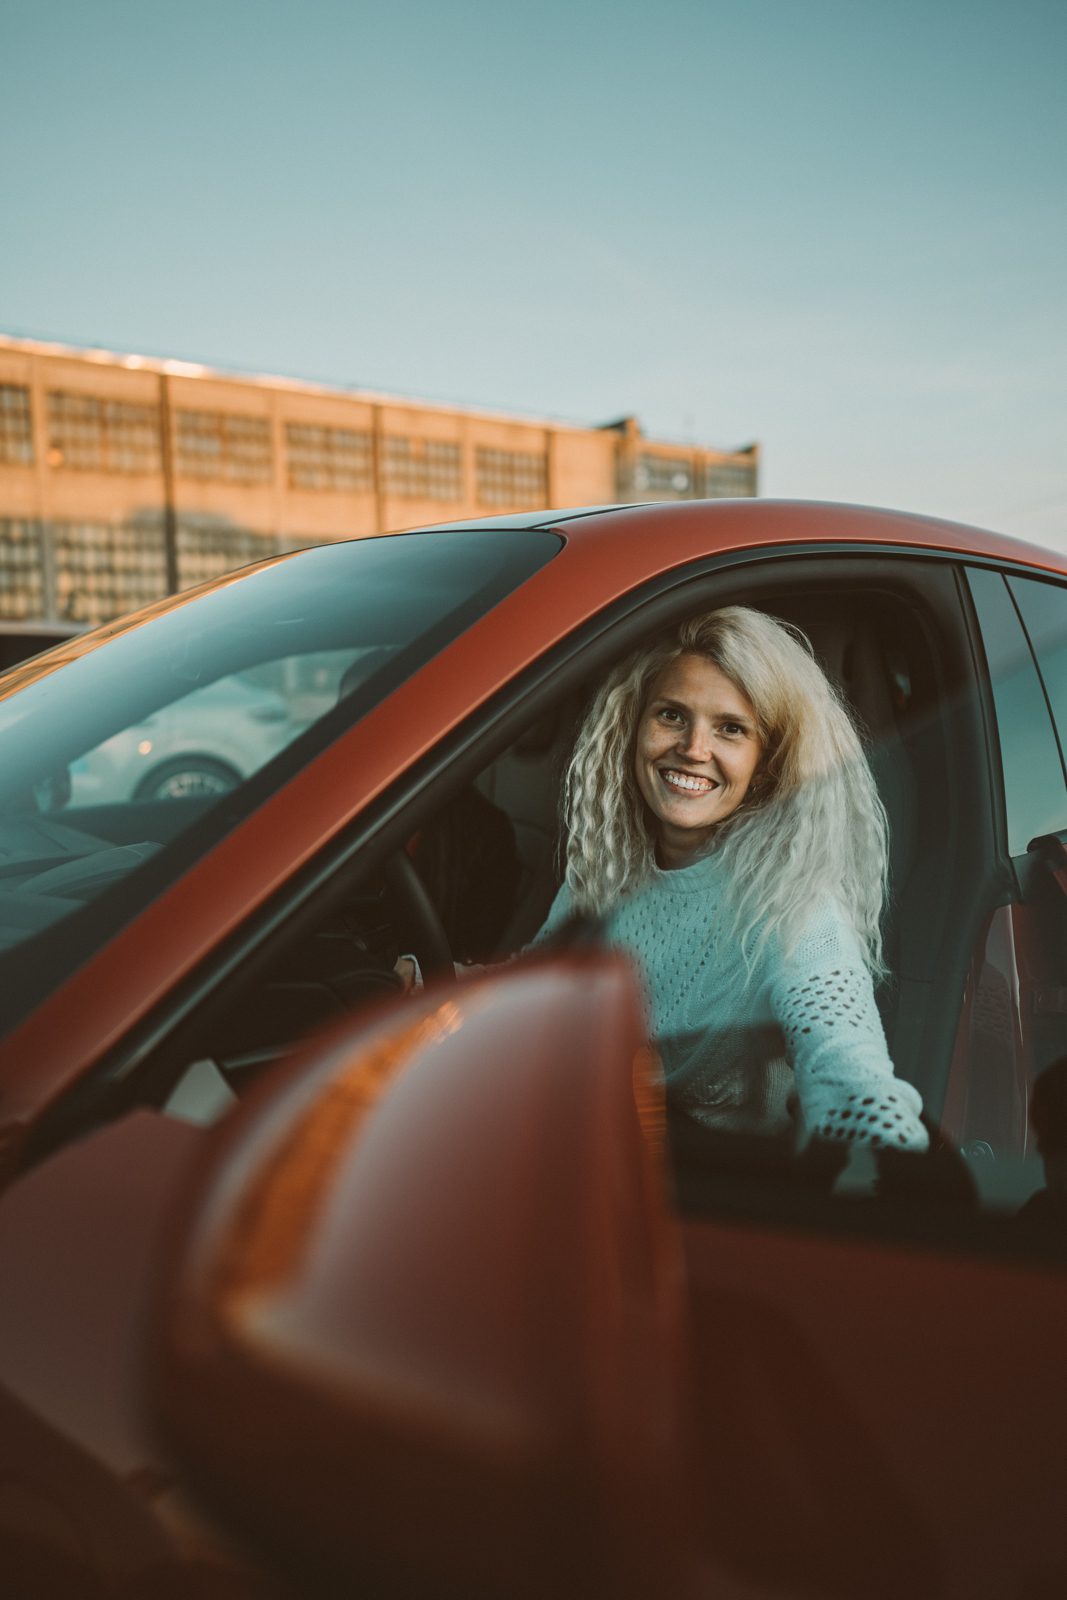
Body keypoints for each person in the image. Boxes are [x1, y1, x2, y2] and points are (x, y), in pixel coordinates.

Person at [532, 605, 928, 1150]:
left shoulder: (795, 908)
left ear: (766, 764)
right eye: (672, 715)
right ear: (634, 727)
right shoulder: (607, 867)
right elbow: (532, 992)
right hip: (584, 1157)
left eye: (731, 729)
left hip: (714, 1201)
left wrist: (884, 1155)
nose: (694, 750)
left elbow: (845, 1063)